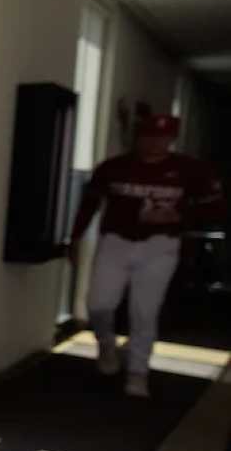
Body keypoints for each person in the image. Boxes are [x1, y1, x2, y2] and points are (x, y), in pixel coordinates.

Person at [68, 112, 224, 397]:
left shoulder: (190, 170)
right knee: (99, 304)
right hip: (115, 241)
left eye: (161, 137)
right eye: (148, 136)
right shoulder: (114, 167)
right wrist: (75, 238)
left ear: (171, 139)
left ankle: (138, 371)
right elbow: (89, 203)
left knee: (144, 310)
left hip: (160, 245)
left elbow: (215, 208)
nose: (154, 143)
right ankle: (106, 345)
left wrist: (179, 215)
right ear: (138, 137)